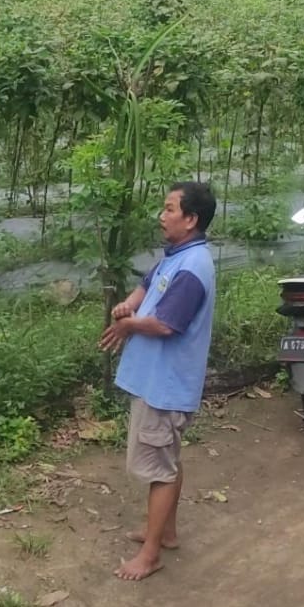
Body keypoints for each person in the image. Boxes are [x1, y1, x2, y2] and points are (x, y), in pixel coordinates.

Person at [99, 181, 218, 582]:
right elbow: (148, 285)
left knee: (159, 469)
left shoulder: (193, 268)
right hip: (158, 381)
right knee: (167, 457)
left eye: (169, 209)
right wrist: (128, 305)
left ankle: (149, 555)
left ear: (191, 219)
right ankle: (165, 532)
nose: (161, 216)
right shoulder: (177, 256)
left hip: (166, 386)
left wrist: (128, 326)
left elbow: (167, 325)